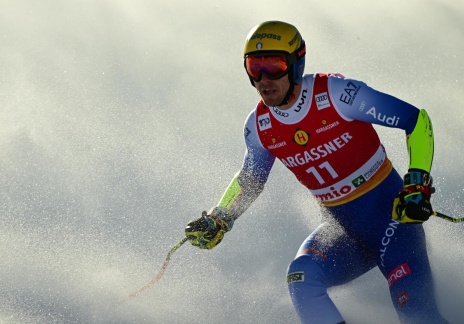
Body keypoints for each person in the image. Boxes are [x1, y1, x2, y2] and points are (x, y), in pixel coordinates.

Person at [184, 21, 448, 324]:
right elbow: (251, 180)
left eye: (275, 65)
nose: (264, 78)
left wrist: (417, 183)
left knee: (417, 315)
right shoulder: (259, 127)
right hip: (342, 232)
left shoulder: (337, 94)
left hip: (393, 221)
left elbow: (416, 121)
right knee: (301, 277)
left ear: (296, 64)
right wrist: (220, 218)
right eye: (255, 66)